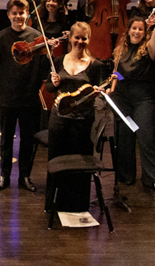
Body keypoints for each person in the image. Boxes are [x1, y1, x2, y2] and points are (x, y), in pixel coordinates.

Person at [0, 0, 56, 192]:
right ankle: (4, 176)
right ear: (9, 15)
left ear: (27, 14)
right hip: (8, 96)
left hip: (29, 96)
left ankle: (25, 176)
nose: (18, 16)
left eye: (21, 13)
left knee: (28, 139)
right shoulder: (1, 37)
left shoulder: (37, 36)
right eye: (14, 13)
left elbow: (44, 70)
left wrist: (48, 54)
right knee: (6, 139)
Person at [42, 22, 109, 210]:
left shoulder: (95, 65)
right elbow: (49, 88)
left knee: (80, 164)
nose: (80, 41)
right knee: (56, 161)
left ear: (89, 39)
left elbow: (103, 89)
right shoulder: (58, 61)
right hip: (59, 121)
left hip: (83, 123)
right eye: (77, 37)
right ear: (70, 38)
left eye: (84, 38)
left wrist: (100, 92)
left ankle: (78, 205)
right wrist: (54, 83)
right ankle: (53, 204)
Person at [110, 16, 155, 194]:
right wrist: (112, 86)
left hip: (143, 99)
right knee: (125, 137)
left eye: (141, 29)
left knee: (146, 136)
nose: (137, 32)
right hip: (122, 99)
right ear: (128, 30)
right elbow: (118, 73)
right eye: (134, 28)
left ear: (145, 32)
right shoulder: (120, 49)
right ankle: (126, 176)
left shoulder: (149, 48)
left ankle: (154, 179)